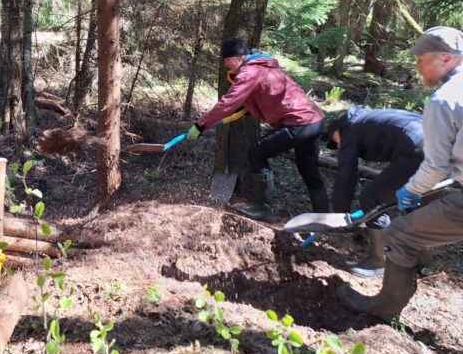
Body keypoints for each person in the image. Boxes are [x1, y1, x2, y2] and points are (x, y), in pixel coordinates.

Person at [338, 26, 463, 321]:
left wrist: (411, 190)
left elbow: (436, 166)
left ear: (446, 58)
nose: (417, 65)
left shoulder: (445, 99)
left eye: (421, 58)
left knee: (401, 232)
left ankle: (384, 307)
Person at [188, 38, 328, 220]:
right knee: (309, 170)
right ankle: (324, 216)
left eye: (227, 60)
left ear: (239, 57)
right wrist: (250, 109)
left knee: (257, 153)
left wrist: (201, 124)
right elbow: (268, 93)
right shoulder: (263, 66)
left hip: (298, 122)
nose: (226, 65)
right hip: (314, 119)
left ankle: (264, 208)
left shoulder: (249, 72)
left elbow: (228, 103)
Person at [326, 106, 424, 277]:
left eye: (336, 142)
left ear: (339, 129)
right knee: (421, 208)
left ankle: (378, 261)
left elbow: (346, 175)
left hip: (417, 151)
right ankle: (421, 262)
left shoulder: (351, 131)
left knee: (371, 199)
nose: (339, 146)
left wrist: (341, 214)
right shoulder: (374, 118)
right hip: (444, 148)